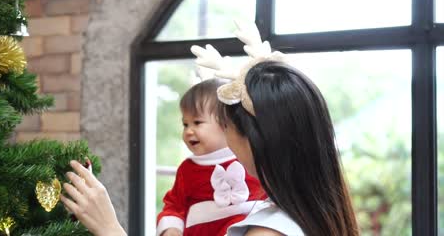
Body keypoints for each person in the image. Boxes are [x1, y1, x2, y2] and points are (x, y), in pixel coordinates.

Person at [61, 22, 359, 236]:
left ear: (255, 138)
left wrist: (109, 228)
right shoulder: (315, 211)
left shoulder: (270, 231)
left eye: (226, 125)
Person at [155, 78, 265, 236]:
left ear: (226, 124)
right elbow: (174, 205)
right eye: (185, 124)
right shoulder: (188, 169)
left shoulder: (248, 159)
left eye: (197, 122)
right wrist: (171, 229)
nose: (188, 131)